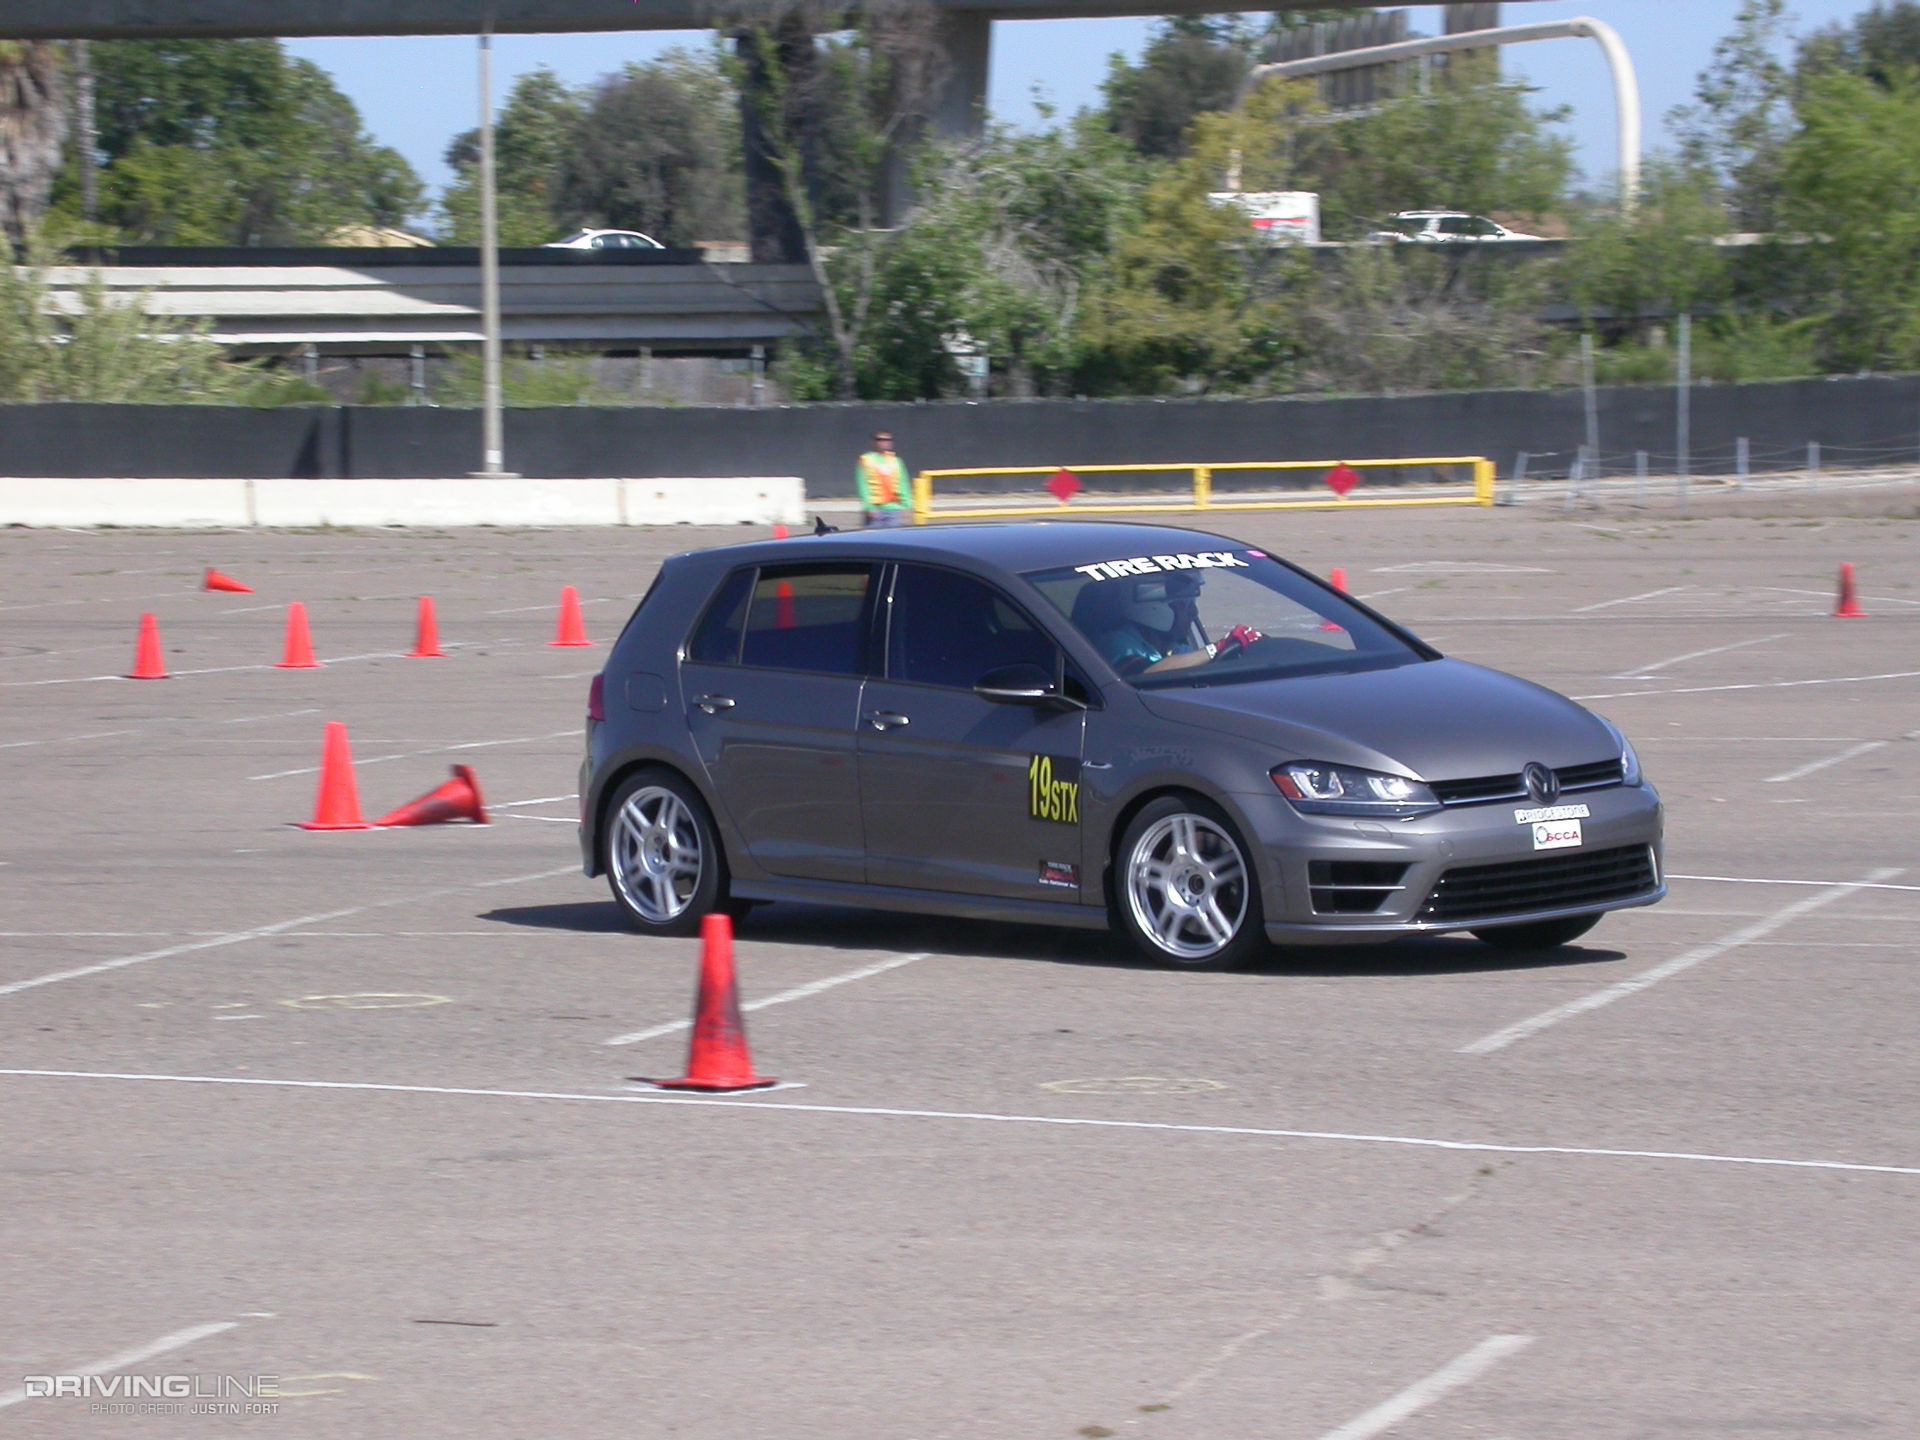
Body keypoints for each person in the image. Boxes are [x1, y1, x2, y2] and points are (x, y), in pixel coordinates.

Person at [1069, 572, 1262, 677]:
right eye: (1186, 605)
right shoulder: (1117, 643)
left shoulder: (1176, 647)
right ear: (1155, 606)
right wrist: (1215, 649)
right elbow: (1144, 673)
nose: (1193, 612)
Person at [855, 431, 912, 528]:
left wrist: (907, 505)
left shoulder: (896, 461)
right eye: (880, 440)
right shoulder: (866, 460)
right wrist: (869, 507)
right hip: (875, 508)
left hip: (894, 509)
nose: (884, 442)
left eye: (887, 440)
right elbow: (862, 485)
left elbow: (903, 484)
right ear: (874, 442)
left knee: (892, 538)